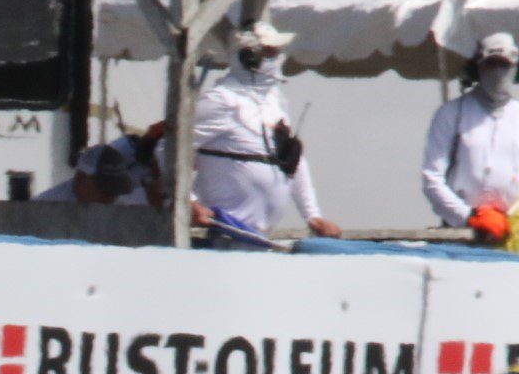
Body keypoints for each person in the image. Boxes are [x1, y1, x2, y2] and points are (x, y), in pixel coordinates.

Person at [193, 21, 342, 239]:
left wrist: (312, 215)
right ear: (248, 57)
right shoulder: (221, 100)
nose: (276, 57)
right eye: (268, 52)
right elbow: (168, 151)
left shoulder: (275, 101)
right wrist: (190, 203)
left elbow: (293, 161)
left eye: (276, 51)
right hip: (221, 231)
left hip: (261, 236)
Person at [422, 33, 519, 241]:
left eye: (505, 66)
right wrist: (468, 216)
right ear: (478, 68)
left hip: (511, 234)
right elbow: (432, 176)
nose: (498, 73)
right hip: (461, 234)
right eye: (491, 65)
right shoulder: (451, 113)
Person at [36, 123, 166, 206]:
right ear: (80, 178)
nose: (109, 196)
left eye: (115, 189)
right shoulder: (46, 206)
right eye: (104, 187)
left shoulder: (120, 200)